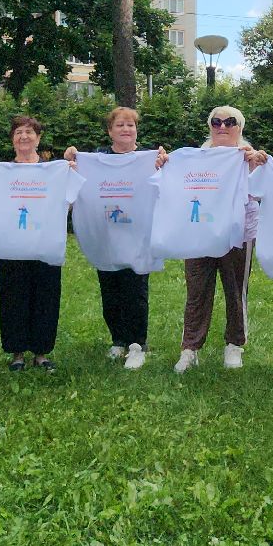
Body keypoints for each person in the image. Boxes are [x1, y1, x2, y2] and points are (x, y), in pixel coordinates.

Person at [170, 106, 270, 373]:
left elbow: (265, 191)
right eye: (216, 121)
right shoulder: (196, 158)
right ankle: (190, 348)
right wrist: (163, 165)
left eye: (230, 122)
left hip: (238, 234)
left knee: (236, 290)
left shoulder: (249, 157)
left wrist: (257, 166)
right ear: (210, 126)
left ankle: (234, 345)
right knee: (197, 290)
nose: (223, 126)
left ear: (240, 127)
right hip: (199, 232)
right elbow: (175, 184)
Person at [65, 107, 163, 368]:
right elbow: (77, 185)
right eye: (119, 125)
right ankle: (118, 340)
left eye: (130, 125)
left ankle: (137, 343)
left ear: (136, 130)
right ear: (110, 131)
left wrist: (163, 164)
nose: (126, 129)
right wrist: (72, 162)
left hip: (138, 236)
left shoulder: (149, 160)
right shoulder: (93, 160)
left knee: (136, 289)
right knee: (110, 289)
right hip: (105, 236)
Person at [0, 115, 67, 373]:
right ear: (12, 139)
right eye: (18, 132)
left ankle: (42, 352)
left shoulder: (54, 171)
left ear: (38, 138)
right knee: (13, 295)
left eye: (29, 132)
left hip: (45, 244)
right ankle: (17, 353)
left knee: (46, 295)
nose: (24, 136)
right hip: (11, 246)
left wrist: (71, 172)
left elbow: (71, 198)